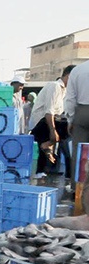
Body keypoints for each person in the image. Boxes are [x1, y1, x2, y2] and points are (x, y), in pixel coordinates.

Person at [29, 66, 76, 176]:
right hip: (41, 123)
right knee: (72, 126)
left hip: (49, 121)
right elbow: (48, 111)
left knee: (69, 123)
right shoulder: (55, 86)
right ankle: (48, 144)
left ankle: (47, 151)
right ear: (69, 76)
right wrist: (53, 131)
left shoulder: (64, 91)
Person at [65, 59, 89, 189]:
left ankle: (77, 188)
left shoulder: (78, 70)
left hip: (82, 112)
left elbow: (70, 98)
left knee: (79, 154)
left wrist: (70, 119)